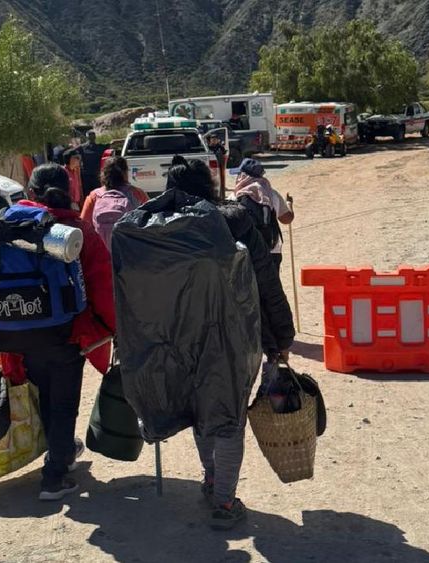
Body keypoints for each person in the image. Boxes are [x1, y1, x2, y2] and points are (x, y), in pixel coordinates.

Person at [164, 160, 295, 529]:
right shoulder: (235, 220)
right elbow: (265, 281)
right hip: (233, 340)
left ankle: (211, 478)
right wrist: (281, 336)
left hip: (177, 340)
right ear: (208, 186)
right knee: (230, 419)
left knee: (199, 412)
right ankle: (223, 501)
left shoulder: (154, 231)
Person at [0, 163, 115, 500]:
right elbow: (102, 284)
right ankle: (54, 476)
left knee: (46, 397)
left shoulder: (9, 227)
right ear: (70, 190)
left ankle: (60, 454)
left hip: (20, 331)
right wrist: (110, 328)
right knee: (63, 404)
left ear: (30, 190)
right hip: (68, 333)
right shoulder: (76, 230)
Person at [229, 158, 294, 272]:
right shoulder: (272, 194)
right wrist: (289, 204)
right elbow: (287, 219)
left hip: (246, 251)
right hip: (271, 250)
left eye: (239, 174)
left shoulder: (234, 198)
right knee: (271, 288)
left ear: (243, 175)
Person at [80, 156, 148, 249]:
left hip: (102, 252)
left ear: (104, 173)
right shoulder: (137, 193)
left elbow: (83, 225)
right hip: (129, 252)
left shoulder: (94, 196)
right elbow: (151, 221)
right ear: (125, 173)